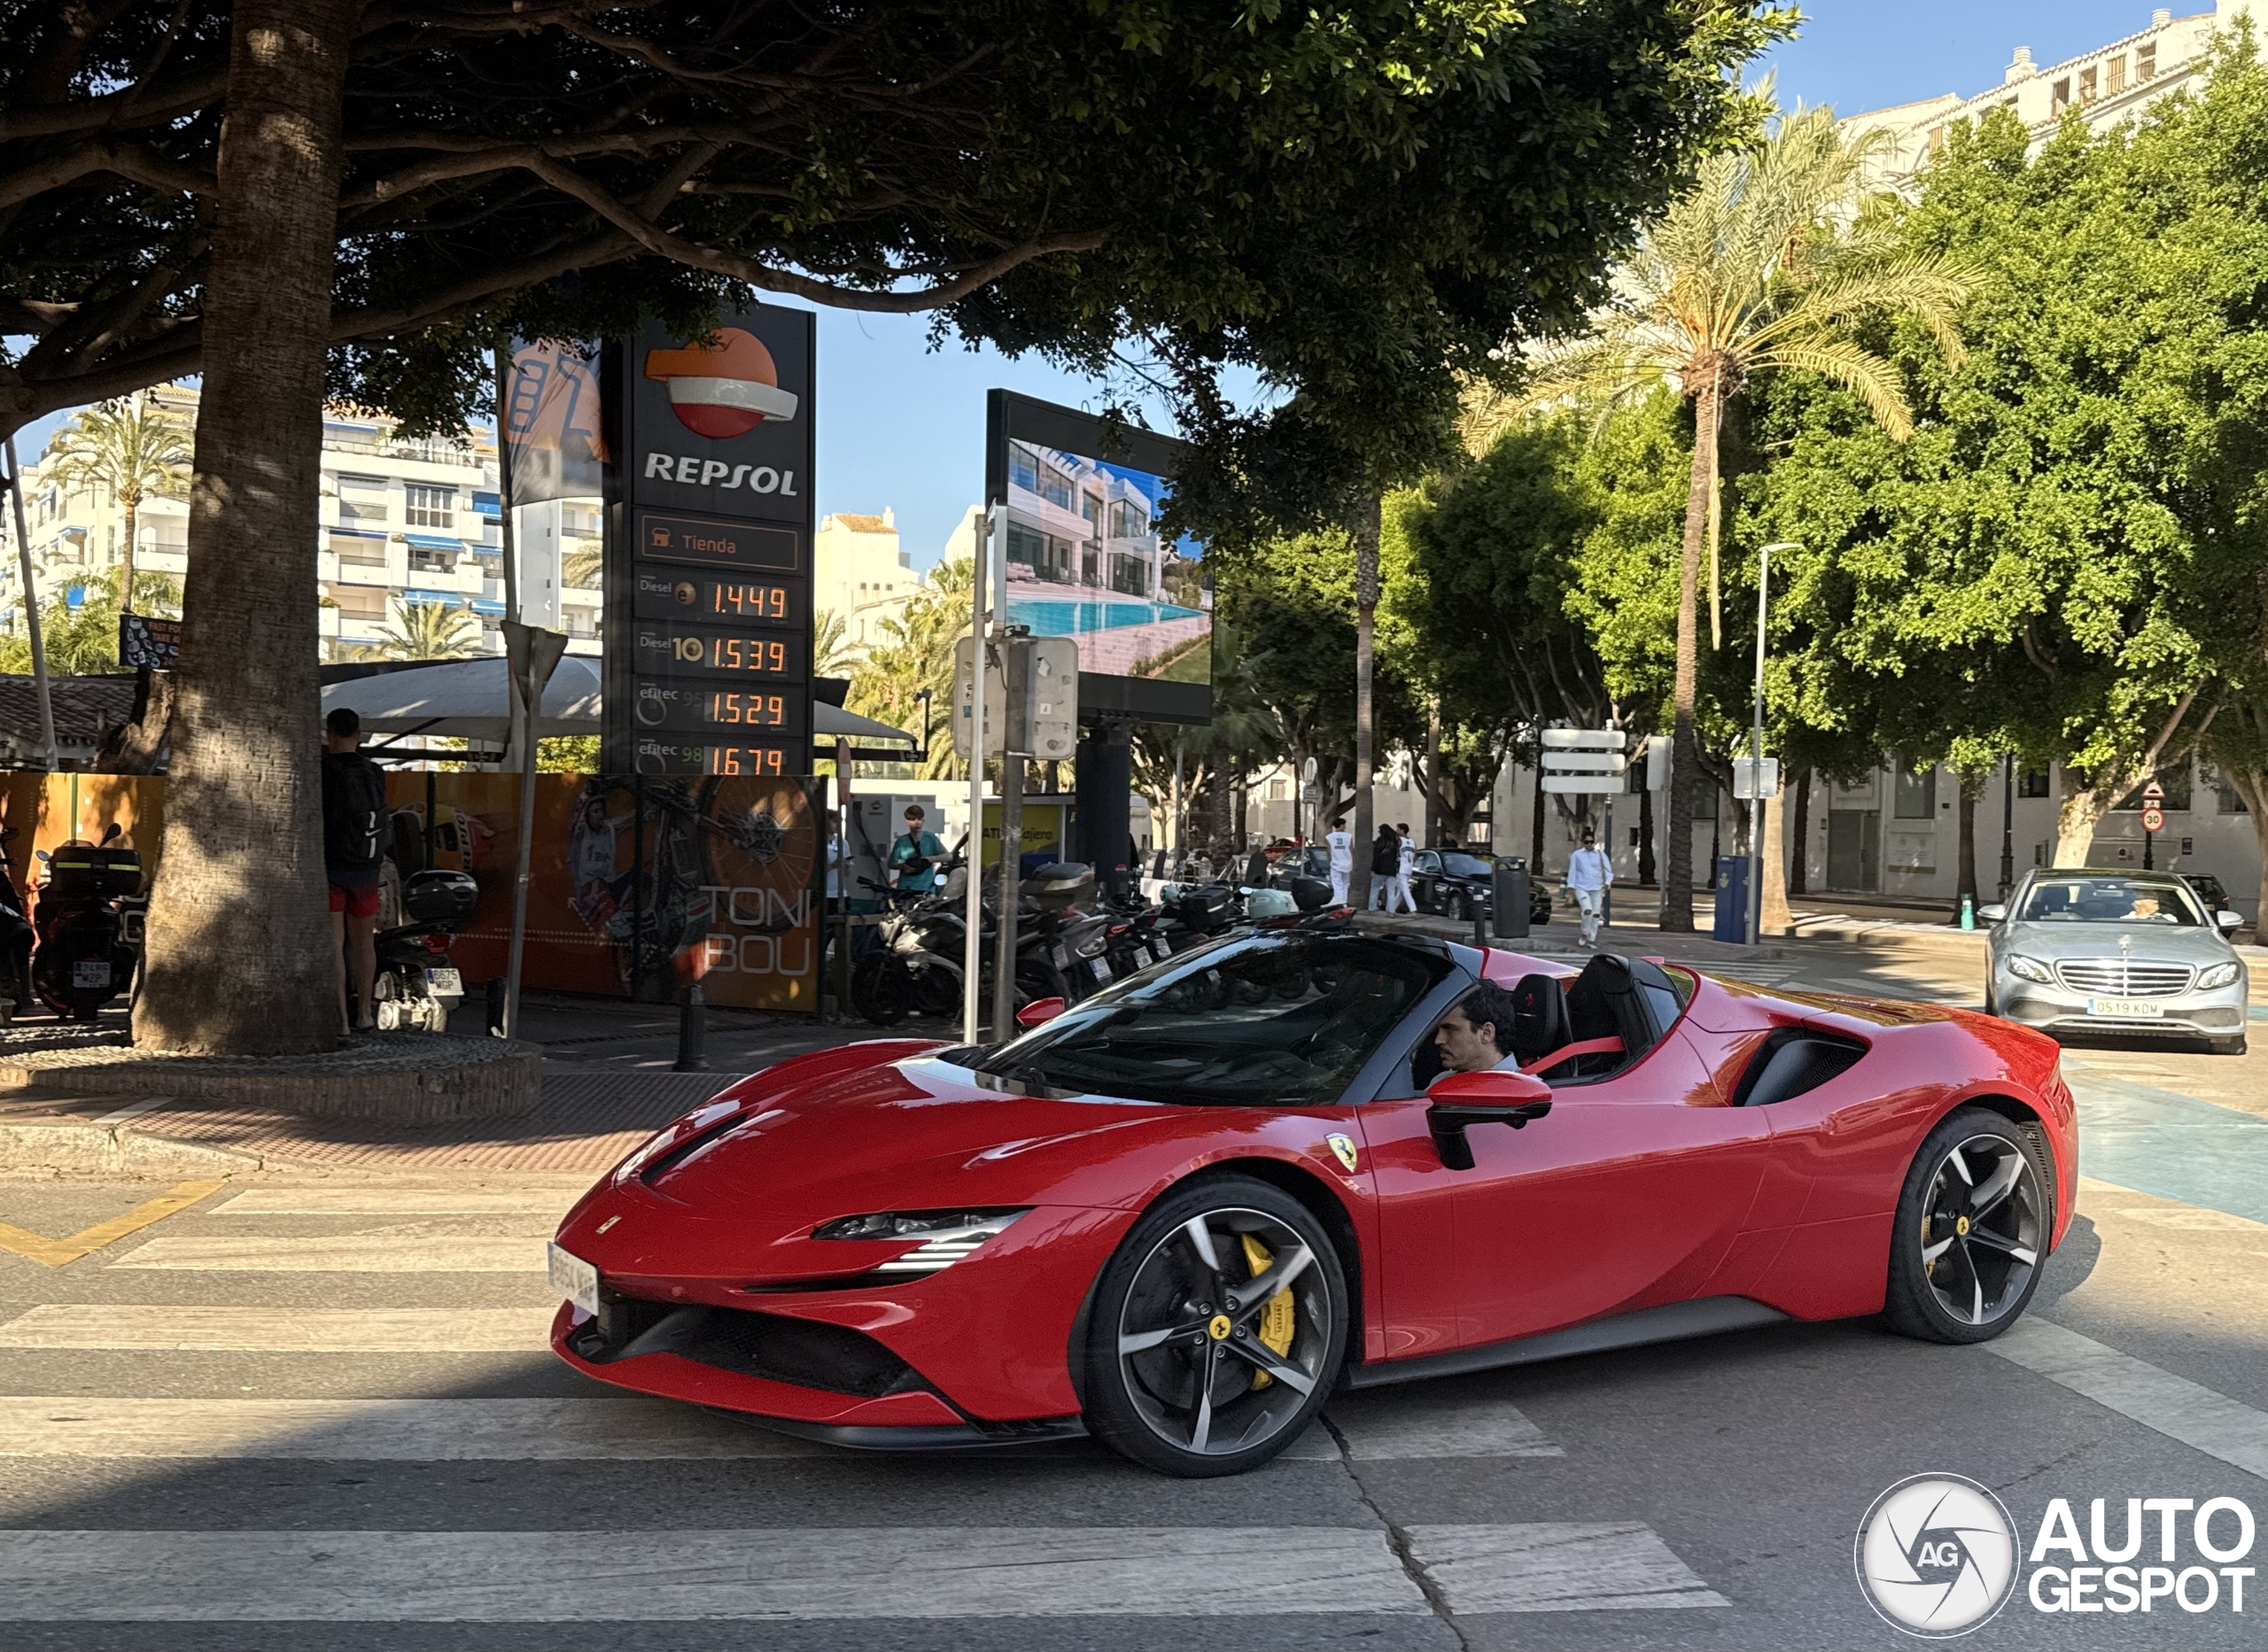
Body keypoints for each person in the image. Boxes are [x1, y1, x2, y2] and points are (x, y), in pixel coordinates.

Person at [321, 706, 389, 1033]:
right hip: (367, 868)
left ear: (329, 734)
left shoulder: (322, 770)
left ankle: (342, 1020)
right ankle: (365, 1013)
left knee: (335, 943)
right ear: (359, 735)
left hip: (331, 867)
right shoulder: (374, 772)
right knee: (364, 943)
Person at [1433, 982, 1522, 1074]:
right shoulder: (1441, 1079)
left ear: (1486, 1033)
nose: (1438, 1040)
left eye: (1449, 1029)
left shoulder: (1526, 1082)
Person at [1565, 826, 1613, 947]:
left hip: (1597, 887)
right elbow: (1572, 871)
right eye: (1587, 842)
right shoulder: (1577, 855)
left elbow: (1608, 870)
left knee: (1596, 914)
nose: (1589, 844)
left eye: (1591, 842)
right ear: (1583, 842)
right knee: (1587, 911)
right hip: (1581, 886)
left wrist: (1608, 882)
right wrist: (1570, 887)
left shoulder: (1600, 855)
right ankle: (1584, 933)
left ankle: (1591, 939)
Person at [1368, 826, 1402, 911]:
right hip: (1391, 869)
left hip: (1380, 869)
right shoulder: (1395, 842)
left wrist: (1373, 869)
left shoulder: (1380, 841)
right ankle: (1391, 910)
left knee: (1375, 889)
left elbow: (1376, 857)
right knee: (1391, 891)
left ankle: (1372, 908)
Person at [1325, 822, 1354, 906]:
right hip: (1347, 864)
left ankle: (1338, 903)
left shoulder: (1329, 837)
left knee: (1337, 885)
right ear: (1340, 825)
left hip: (1335, 864)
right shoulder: (1349, 836)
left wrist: (1330, 860)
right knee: (1345, 885)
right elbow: (1351, 849)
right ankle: (1344, 903)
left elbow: (1328, 851)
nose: (1345, 826)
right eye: (1344, 825)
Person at [1394, 823, 1418, 914]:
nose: (1397, 831)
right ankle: (1392, 908)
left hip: (1401, 867)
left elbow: (1395, 852)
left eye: (1398, 829)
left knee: (1405, 889)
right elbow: (1415, 855)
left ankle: (1413, 909)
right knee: (1401, 890)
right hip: (1409, 867)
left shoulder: (1399, 840)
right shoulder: (1412, 842)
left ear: (1402, 830)